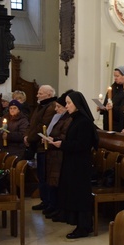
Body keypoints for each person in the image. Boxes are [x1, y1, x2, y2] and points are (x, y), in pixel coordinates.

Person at [49, 91, 99, 239]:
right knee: (73, 193)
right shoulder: (75, 119)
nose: (67, 105)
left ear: (77, 104)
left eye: (69, 103)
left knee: (80, 195)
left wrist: (62, 144)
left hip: (80, 164)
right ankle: (79, 223)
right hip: (72, 162)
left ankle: (84, 227)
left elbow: (82, 144)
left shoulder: (83, 122)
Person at [24, 85, 57, 211]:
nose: (37, 95)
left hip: (45, 147)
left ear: (49, 95)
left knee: (45, 175)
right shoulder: (41, 106)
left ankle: (49, 201)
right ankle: (44, 200)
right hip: (37, 145)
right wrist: (26, 135)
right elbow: (32, 123)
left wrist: (29, 138)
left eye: (40, 93)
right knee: (41, 175)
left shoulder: (51, 107)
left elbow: (42, 126)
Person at [42, 90, 73, 220]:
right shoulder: (60, 118)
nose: (57, 109)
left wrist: (52, 139)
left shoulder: (69, 119)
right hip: (54, 153)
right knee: (52, 181)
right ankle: (53, 205)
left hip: (60, 154)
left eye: (60, 106)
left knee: (58, 183)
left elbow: (65, 135)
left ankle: (59, 207)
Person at [99, 66, 124, 132]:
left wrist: (113, 108)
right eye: (114, 76)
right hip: (107, 121)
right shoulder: (112, 87)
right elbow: (106, 101)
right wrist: (102, 108)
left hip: (118, 123)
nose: (115, 78)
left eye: (117, 76)